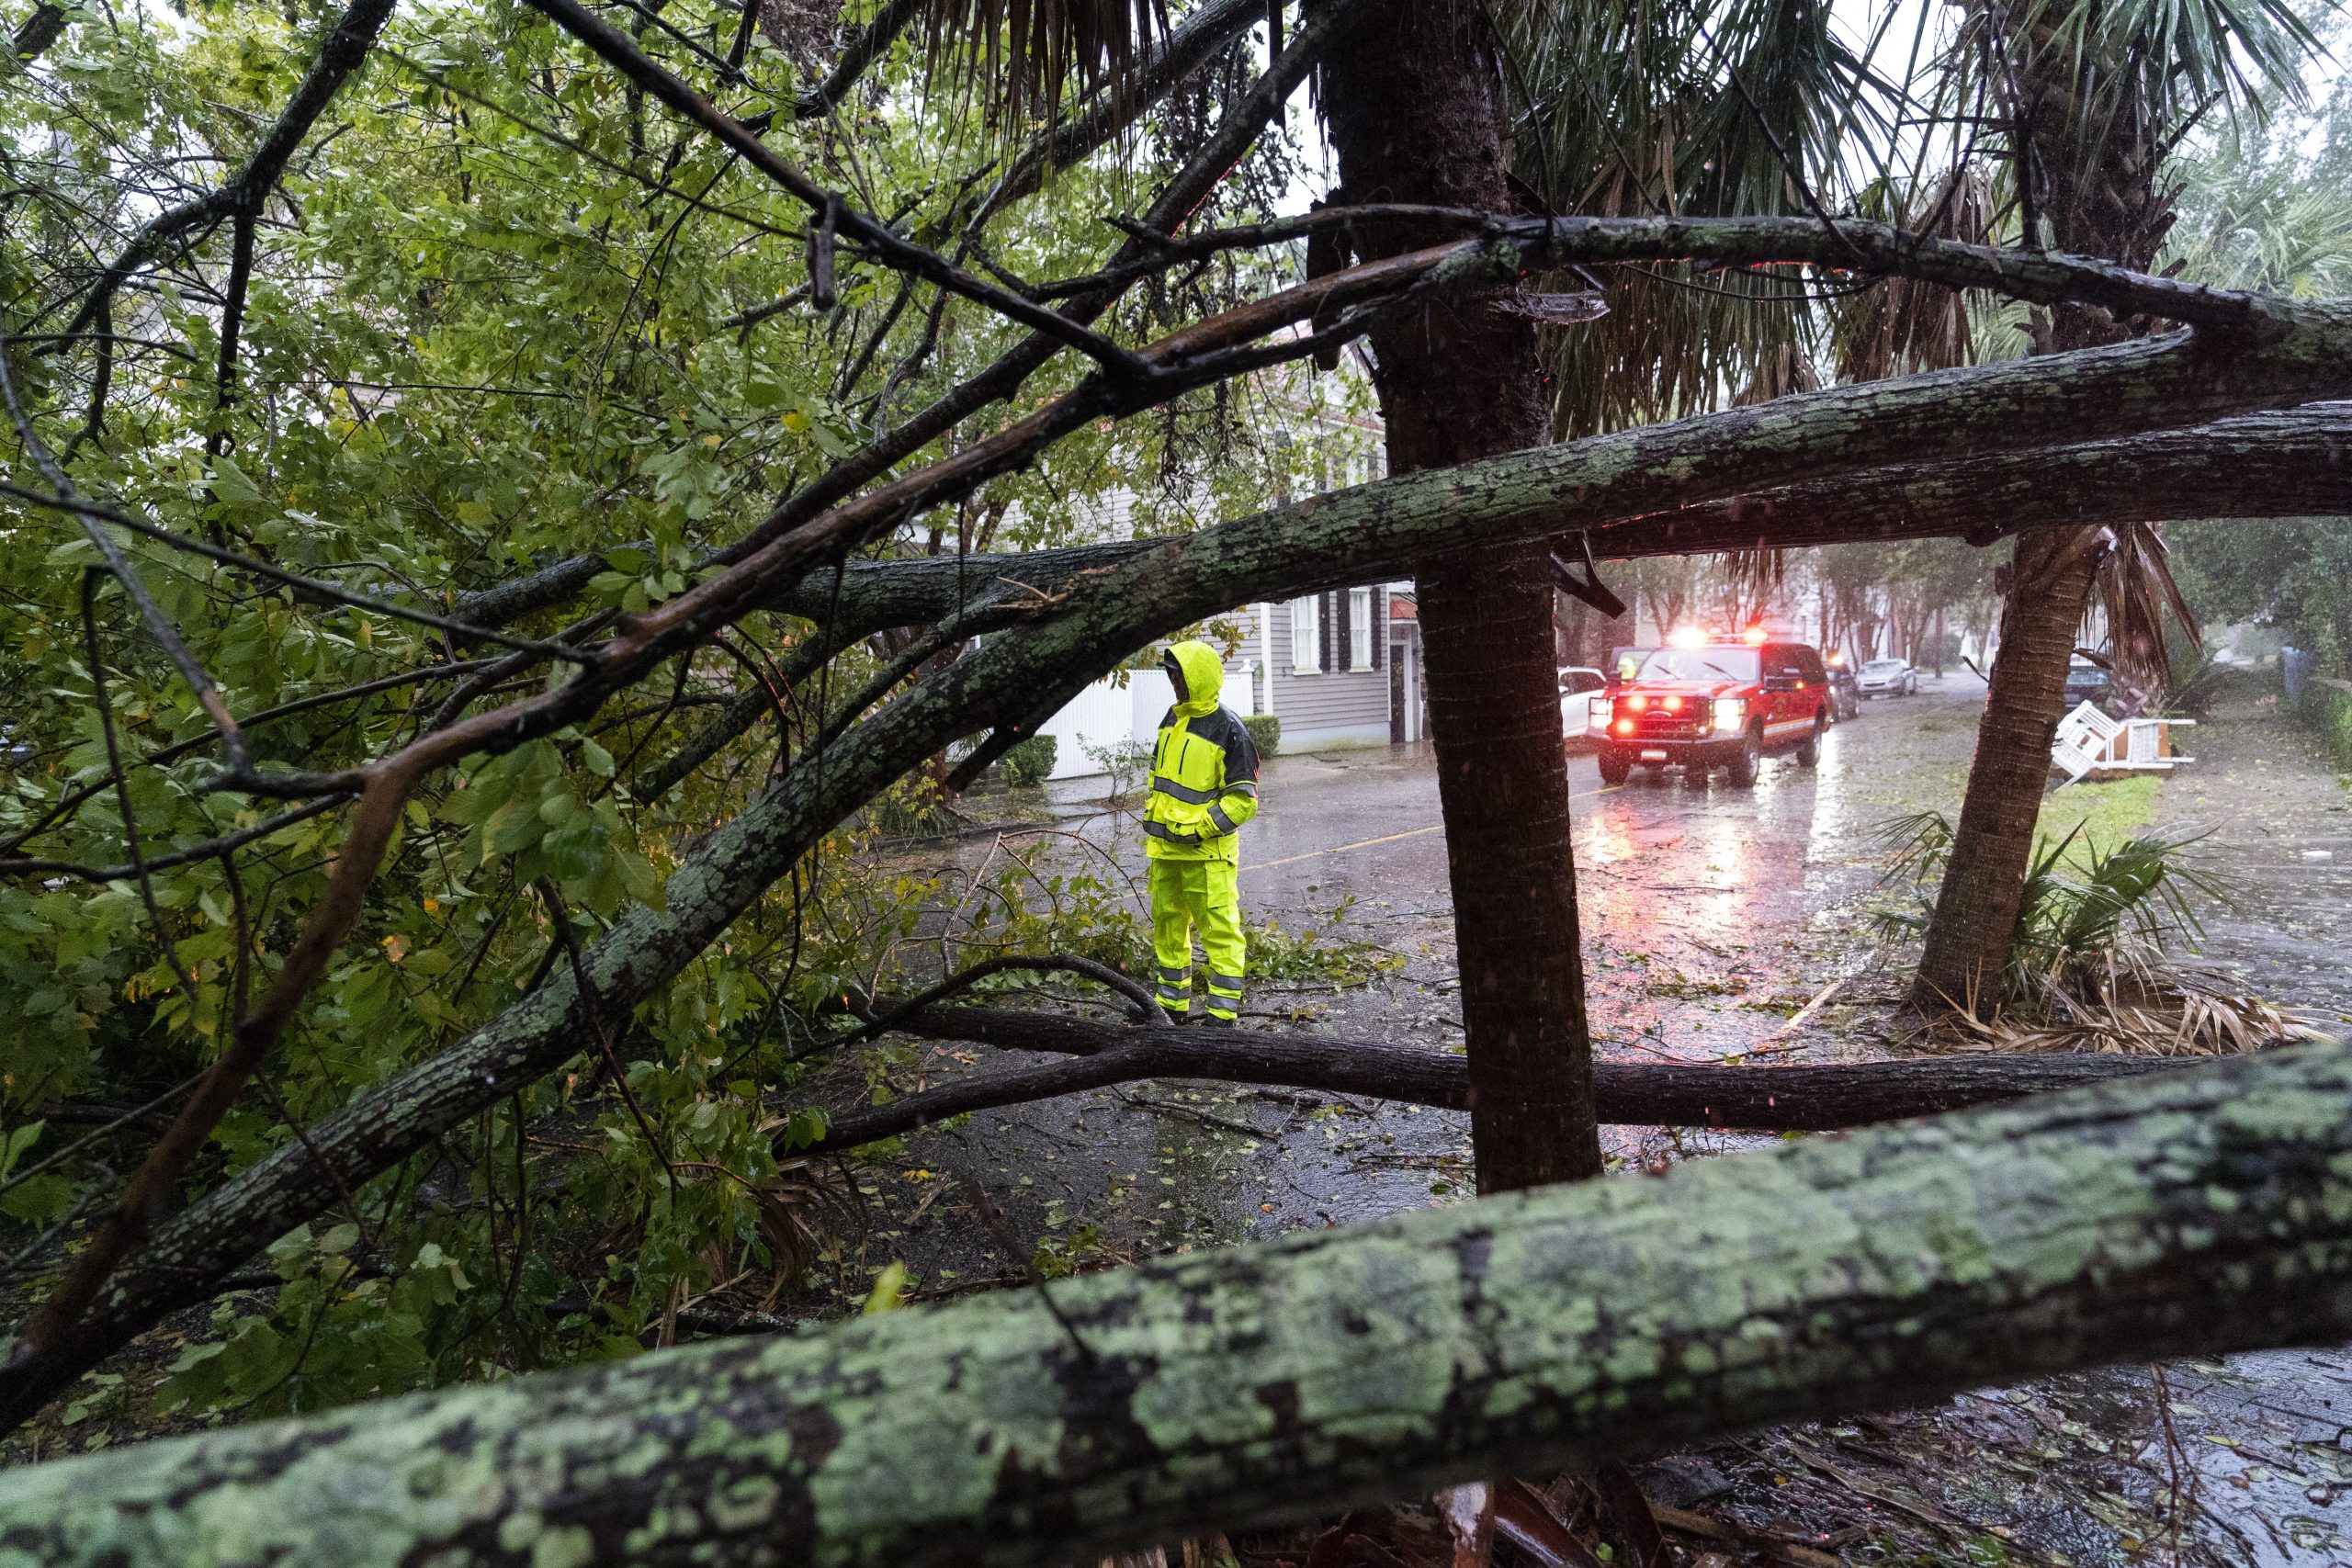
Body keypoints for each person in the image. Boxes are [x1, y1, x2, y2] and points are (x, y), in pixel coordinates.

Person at [1143, 640, 1260, 1026]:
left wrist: (1197, 829)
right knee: (1167, 928)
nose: (1174, 682)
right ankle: (1170, 1006)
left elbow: (1243, 801)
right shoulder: (1172, 719)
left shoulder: (1229, 729)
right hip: (1166, 850)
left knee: (1219, 931)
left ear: (1197, 677)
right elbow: (1160, 779)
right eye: (1170, 675)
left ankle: (1222, 1013)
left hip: (1207, 855)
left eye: (1178, 675)